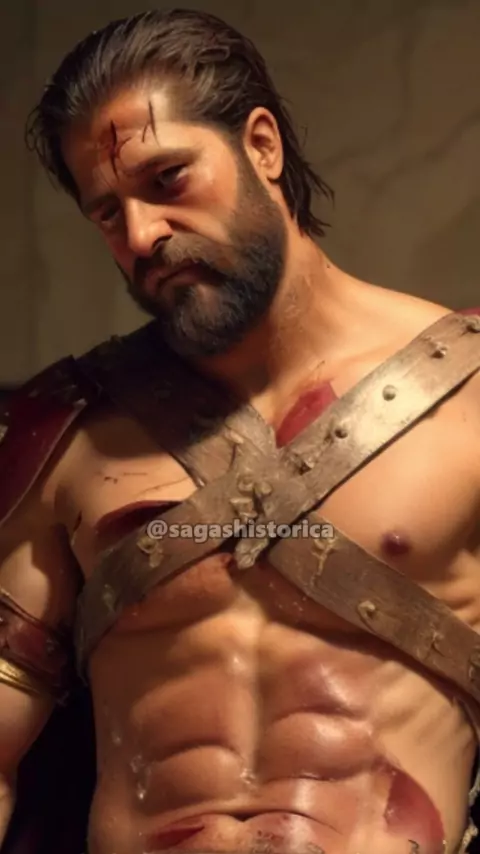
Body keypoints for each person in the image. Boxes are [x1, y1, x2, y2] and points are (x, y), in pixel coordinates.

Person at [0, 8, 479, 854]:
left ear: (262, 146)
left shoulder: (469, 397)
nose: (142, 234)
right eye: (107, 213)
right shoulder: (71, 434)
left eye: (167, 178)